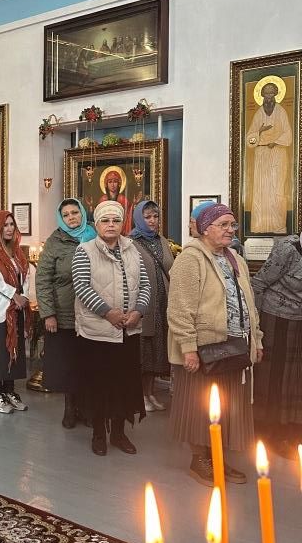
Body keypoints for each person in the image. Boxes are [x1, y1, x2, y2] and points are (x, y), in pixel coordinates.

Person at [167, 204, 262, 486]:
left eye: (233, 225)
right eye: (224, 225)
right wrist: (188, 348)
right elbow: (179, 309)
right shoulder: (190, 259)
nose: (231, 230)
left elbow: (249, 303)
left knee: (226, 405)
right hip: (204, 348)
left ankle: (218, 456)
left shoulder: (235, 258)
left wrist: (256, 339)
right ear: (205, 228)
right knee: (199, 406)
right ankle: (200, 460)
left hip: (235, 346)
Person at [72, 199, 149, 456]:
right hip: (98, 333)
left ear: (122, 224)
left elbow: (145, 284)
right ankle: (98, 433)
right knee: (99, 385)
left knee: (123, 384)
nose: (111, 225)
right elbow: (82, 287)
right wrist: (109, 313)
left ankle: (118, 433)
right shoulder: (84, 251)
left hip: (128, 331)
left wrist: (138, 311)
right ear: (97, 224)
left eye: (116, 220)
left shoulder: (133, 249)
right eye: (105, 220)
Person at [35, 198, 95, 428]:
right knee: (68, 363)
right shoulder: (55, 241)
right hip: (64, 313)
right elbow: (43, 279)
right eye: (66, 214)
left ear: (82, 213)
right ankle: (70, 407)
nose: (71, 217)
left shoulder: (94, 235)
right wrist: (48, 313)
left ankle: (87, 408)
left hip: (93, 312)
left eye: (75, 213)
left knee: (88, 362)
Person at [247, 234, 302, 457]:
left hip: (298, 321)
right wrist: (255, 325)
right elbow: (258, 284)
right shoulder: (287, 249)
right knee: (274, 378)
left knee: (294, 379)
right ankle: (269, 432)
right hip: (276, 319)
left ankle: (290, 429)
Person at [0, 210, 30, 414]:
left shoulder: (17, 250)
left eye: (12, 224)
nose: (9, 228)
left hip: (16, 309)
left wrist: (24, 295)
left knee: (14, 350)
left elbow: (26, 275)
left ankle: (10, 391)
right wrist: (14, 295)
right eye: (5, 225)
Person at [130, 200, 174, 412]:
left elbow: (170, 267)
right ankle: (139, 396)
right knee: (143, 354)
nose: (152, 221)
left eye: (155, 216)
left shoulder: (162, 240)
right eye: (147, 217)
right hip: (144, 304)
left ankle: (150, 393)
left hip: (163, 303)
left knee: (157, 352)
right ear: (139, 218)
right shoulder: (130, 242)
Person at [247, 79, 292, 233]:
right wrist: (259, 131)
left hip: (278, 153)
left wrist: (276, 141)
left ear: (276, 95)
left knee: (277, 189)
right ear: (262, 95)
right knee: (261, 189)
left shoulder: (281, 112)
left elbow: (288, 134)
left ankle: (278, 226)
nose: (269, 97)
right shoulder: (259, 113)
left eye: (271, 94)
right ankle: (260, 226)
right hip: (261, 155)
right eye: (266, 94)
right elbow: (250, 140)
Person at [98, 166, 132, 235]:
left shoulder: (123, 199)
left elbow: (126, 218)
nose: (112, 185)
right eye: (110, 182)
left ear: (119, 184)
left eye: (115, 182)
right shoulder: (103, 199)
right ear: (106, 184)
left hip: (121, 231)